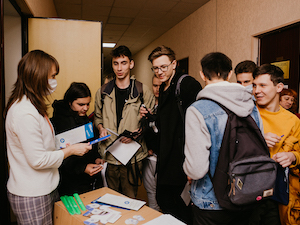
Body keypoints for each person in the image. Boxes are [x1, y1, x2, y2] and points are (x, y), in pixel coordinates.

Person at [5, 50, 92, 225]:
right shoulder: (24, 112)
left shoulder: (34, 106)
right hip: (32, 194)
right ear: (38, 76)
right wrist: (70, 150)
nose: (54, 82)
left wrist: (59, 148)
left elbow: (41, 147)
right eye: (52, 76)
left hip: (46, 188)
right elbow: (37, 160)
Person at [183, 52, 262, 225]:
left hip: (211, 202)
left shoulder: (197, 110)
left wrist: (188, 169)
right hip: (248, 194)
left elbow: (196, 170)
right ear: (231, 73)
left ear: (202, 74)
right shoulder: (251, 105)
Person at [141, 45, 202, 224]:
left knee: (182, 211)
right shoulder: (164, 87)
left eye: (164, 67)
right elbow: (168, 121)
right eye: (156, 68)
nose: (160, 72)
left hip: (182, 163)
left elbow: (198, 125)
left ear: (174, 64)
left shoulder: (187, 85)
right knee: (165, 204)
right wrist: (150, 118)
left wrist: (193, 164)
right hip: (166, 160)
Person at [94, 45, 155, 198]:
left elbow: (153, 122)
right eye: (116, 63)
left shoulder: (143, 90)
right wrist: (101, 128)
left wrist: (139, 132)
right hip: (109, 154)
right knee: (111, 199)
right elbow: (97, 117)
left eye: (124, 63)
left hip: (132, 156)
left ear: (131, 64)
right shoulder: (102, 92)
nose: (119, 68)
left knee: (130, 199)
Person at [253, 64, 300, 225]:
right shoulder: (247, 113)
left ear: (279, 87)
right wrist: (258, 138)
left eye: (262, 85)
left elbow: (299, 152)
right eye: (254, 85)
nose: (256, 90)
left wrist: (292, 156)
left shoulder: (292, 120)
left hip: (276, 194)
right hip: (247, 191)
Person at [51, 82, 104, 196]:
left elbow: (89, 142)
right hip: (70, 183)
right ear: (70, 103)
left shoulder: (82, 117)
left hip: (87, 179)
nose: (85, 108)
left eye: (88, 104)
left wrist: (95, 159)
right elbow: (61, 156)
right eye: (81, 104)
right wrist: (83, 168)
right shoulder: (61, 123)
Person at [142, 75, 161, 211]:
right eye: (155, 85)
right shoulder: (146, 106)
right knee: (151, 194)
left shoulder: (169, 107)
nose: (157, 89)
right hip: (149, 158)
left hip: (164, 158)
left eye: (160, 85)